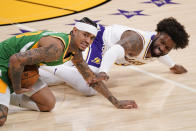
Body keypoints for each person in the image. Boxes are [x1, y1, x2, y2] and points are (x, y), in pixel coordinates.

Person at [39, 17, 189, 97]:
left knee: (49, 80)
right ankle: (48, 65)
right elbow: (113, 51)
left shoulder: (158, 48)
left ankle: (39, 67)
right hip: (97, 41)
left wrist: (172, 66)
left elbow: (159, 55)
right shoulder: (137, 42)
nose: (162, 48)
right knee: (89, 87)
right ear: (156, 34)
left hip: (101, 49)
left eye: (167, 48)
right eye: (162, 42)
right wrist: (104, 72)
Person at [0, 17, 100, 126]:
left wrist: (115, 102)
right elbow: (15, 59)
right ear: (75, 31)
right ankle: (6, 93)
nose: (88, 41)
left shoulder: (75, 50)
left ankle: (8, 97)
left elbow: (90, 77)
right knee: (1, 119)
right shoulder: (55, 48)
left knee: (47, 104)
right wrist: (17, 87)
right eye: (85, 35)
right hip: (3, 61)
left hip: (21, 67)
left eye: (92, 38)